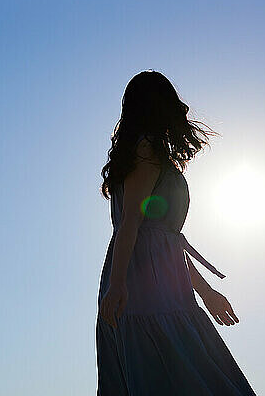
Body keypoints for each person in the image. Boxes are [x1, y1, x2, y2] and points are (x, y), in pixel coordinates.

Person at [96, 70, 256, 395]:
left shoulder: (150, 152)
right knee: (180, 372)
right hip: (144, 283)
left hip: (162, 278)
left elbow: (168, 242)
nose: (180, 108)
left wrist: (205, 291)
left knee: (184, 369)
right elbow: (131, 223)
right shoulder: (147, 148)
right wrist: (117, 284)